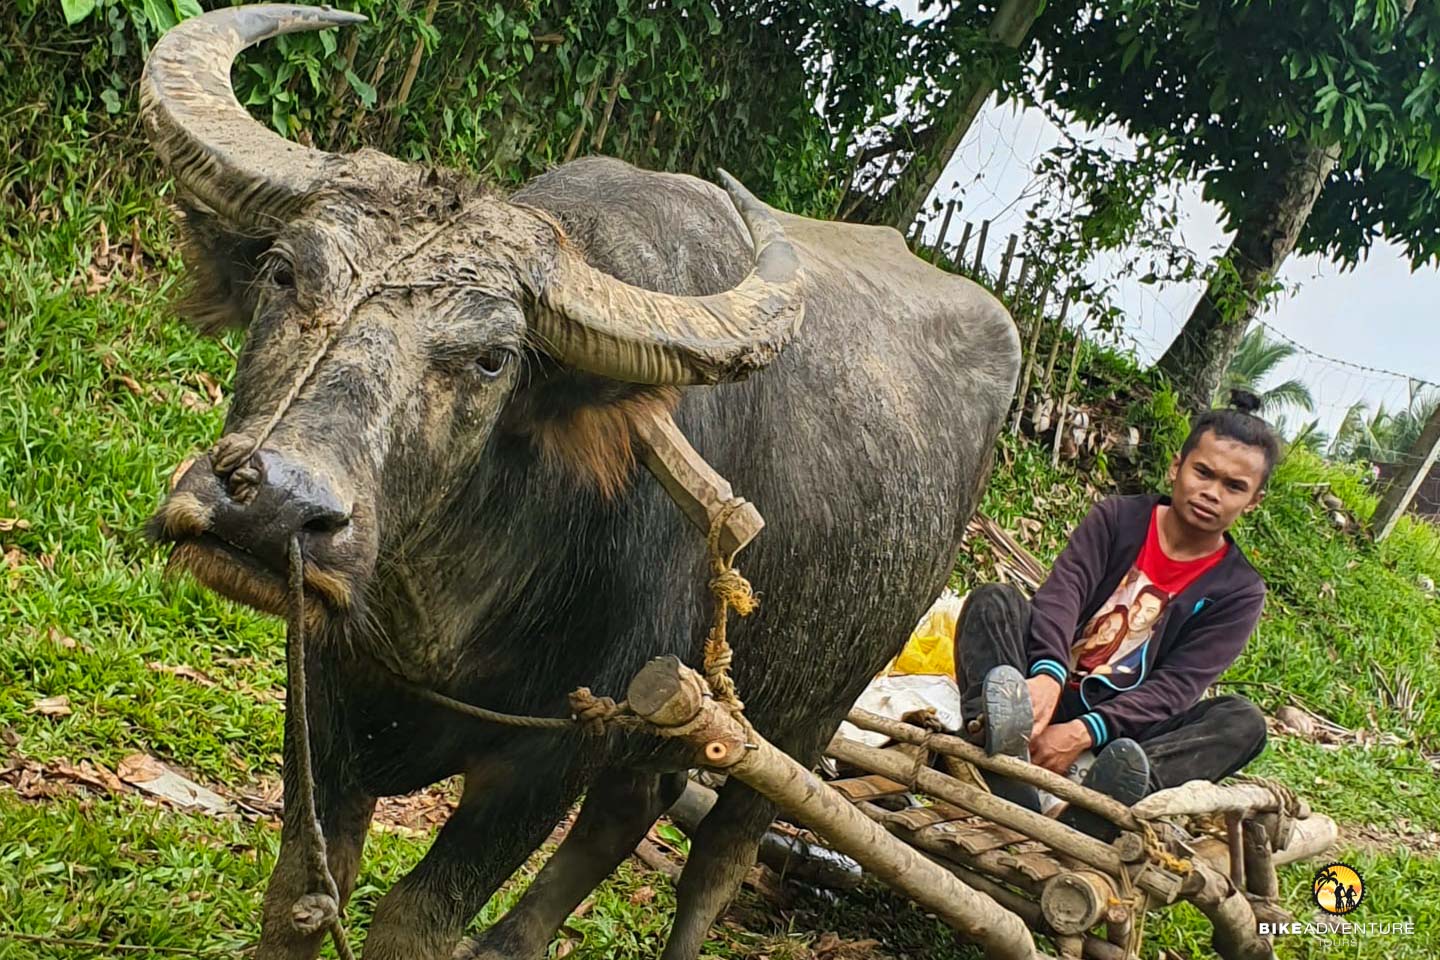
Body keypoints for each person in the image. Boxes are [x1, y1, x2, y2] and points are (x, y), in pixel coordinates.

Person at [953, 390, 1276, 839]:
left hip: (1123, 733)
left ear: (1253, 501)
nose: (1211, 493)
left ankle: (1102, 805)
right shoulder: (1118, 519)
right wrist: (1047, 677)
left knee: (1242, 723)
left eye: (1234, 487)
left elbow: (1177, 687)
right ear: (1176, 467)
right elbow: (1062, 595)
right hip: (1039, 692)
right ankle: (1003, 756)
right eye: (1203, 472)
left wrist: (1085, 731)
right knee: (993, 602)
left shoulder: (1239, 590)